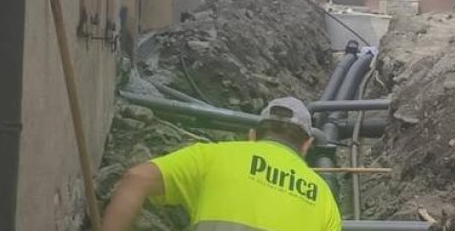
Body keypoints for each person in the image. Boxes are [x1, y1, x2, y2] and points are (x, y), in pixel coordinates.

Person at [102, 97, 342, 231]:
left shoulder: (214, 157)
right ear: (307, 145)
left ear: (251, 135)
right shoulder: (323, 198)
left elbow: (136, 178)